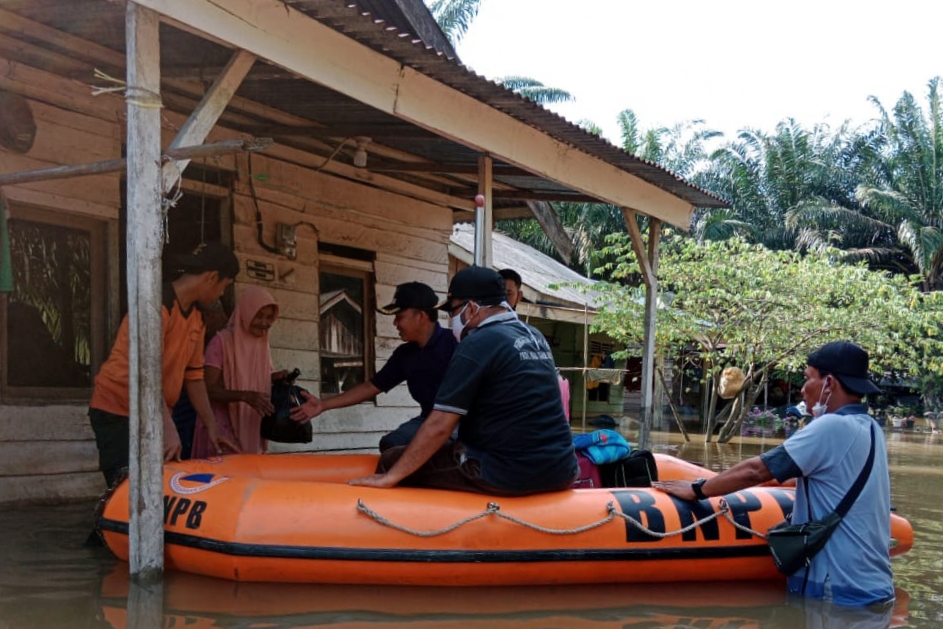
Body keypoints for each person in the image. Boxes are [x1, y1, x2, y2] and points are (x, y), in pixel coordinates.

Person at [654, 340, 893, 607]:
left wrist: (697, 489)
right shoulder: (871, 428)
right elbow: (824, 479)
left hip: (835, 589)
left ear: (830, 384)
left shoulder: (830, 426)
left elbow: (757, 469)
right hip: (875, 587)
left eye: (807, 378)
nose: (802, 390)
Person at [349, 266, 578, 495]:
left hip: (507, 473)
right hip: (562, 468)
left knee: (392, 459)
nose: (451, 319)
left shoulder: (478, 342)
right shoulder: (533, 336)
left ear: (470, 308)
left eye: (453, 311)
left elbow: (440, 424)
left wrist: (390, 477)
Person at [87, 243, 241, 488]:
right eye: (226, 286)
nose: (222, 294)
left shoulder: (198, 317)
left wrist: (212, 427)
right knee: (125, 486)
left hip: (157, 412)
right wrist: (168, 430)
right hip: (117, 407)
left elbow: (194, 376)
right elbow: (146, 377)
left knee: (158, 487)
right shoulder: (155, 306)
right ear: (213, 277)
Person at [292, 282, 457, 451]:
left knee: (438, 451)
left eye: (399, 317)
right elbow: (371, 386)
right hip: (429, 419)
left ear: (420, 316)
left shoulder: (456, 344)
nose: (395, 323)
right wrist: (323, 405)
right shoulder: (405, 354)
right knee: (392, 445)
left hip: (463, 423)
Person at [191, 286, 287, 458]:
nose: (264, 323)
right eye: (259, 316)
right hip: (221, 425)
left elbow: (258, 376)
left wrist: (277, 378)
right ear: (246, 312)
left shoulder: (262, 344)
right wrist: (245, 396)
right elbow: (208, 389)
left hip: (251, 423)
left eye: (268, 318)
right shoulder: (221, 342)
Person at [171, 299, 230, 459]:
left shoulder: (212, 340)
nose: (225, 321)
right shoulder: (194, 337)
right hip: (185, 401)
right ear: (208, 316)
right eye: (220, 316)